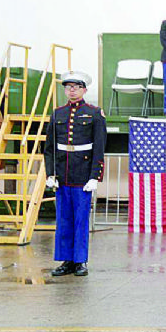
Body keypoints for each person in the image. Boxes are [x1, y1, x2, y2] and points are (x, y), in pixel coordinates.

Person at [44, 71, 106, 277]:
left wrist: (94, 176)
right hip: (63, 173)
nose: (72, 91)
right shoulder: (57, 113)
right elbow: (50, 148)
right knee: (63, 220)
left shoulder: (94, 113)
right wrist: (50, 173)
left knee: (80, 220)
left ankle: (80, 261)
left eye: (76, 87)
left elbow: (99, 147)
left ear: (84, 90)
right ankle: (66, 261)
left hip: (82, 173)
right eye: (68, 87)